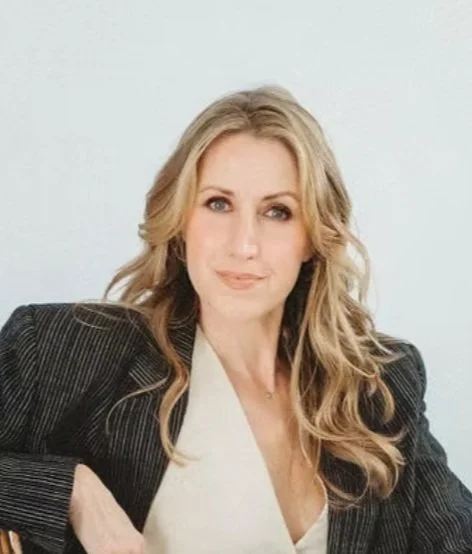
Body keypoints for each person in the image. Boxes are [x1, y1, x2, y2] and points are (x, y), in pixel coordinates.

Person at [0, 85, 471, 554]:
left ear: (312, 237)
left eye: (277, 212)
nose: (244, 244)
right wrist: (74, 492)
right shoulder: (65, 351)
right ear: (181, 220)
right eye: (218, 204)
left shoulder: (378, 386)